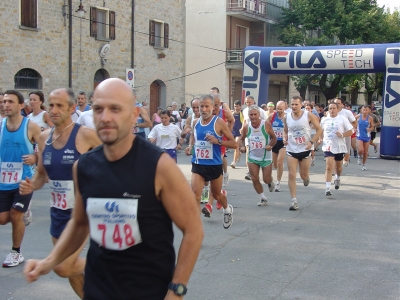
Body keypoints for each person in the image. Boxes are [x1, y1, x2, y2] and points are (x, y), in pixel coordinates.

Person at [24, 78, 203, 300]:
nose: (105, 117)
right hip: (98, 288)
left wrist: (177, 290)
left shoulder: (159, 166)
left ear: (134, 114)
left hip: (147, 291)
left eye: (115, 109)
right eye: (98, 109)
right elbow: (80, 223)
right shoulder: (84, 166)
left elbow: (193, 230)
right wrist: (48, 262)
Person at [19, 88, 101, 298]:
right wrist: (31, 185)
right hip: (58, 211)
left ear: (72, 108)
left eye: (59, 106)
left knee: (63, 266)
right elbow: (40, 177)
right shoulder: (44, 138)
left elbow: (113, 161)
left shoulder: (85, 134)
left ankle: (110, 263)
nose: (54, 110)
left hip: (83, 212)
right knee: (71, 273)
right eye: (51, 105)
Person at [0, 90, 41, 267]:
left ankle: (16, 252)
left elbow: (46, 149)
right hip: (3, 180)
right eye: (4, 101)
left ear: (20, 105)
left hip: (24, 180)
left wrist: (36, 158)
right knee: (3, 219)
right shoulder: (0, 125)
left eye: (10, 102)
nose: (5, 105)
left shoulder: (30, 126)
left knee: (16, 215)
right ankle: (24, 213)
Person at [185, 94, 236, 227]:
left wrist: (218, 141)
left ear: (212, 107)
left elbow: (234, 143)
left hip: (214, 165)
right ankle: (195, 227)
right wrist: (190, 146)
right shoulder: (196, 122)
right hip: (198, 163)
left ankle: (227, 209)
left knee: (217, 195)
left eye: (207, 106)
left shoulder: (219, 122)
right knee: (196, 195)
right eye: (202, 106)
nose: (204, 109)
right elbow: (194, 137)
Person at [283, 96, 322, 211]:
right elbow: (285, 130)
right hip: (291, 148)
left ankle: (306, 178)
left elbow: (319, 129)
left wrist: (312, 142)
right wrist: (285, 138)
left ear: (301, 105)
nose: (294, 106)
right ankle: (294, 201)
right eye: (292, 104)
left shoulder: (308, 115)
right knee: (291, 174)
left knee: (303, 176)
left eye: (296, 104)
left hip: (305, 148)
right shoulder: (287, 117)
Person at [239, 105, 277, 206]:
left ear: (259, 115)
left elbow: (274, 138)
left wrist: (270, 145)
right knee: (254, 178)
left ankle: (270, 182)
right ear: (248, 116)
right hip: (252, 157)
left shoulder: (266, 125)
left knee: (266, 179)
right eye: (251, 115)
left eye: (255, 114)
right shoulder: (247, 127)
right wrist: (242, 147)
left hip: (266, 157)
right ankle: (262, 198)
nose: (253, 117)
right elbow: (241, 139)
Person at [319, 103, 353, 196]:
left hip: (339, 145)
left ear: (337, 109)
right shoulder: (324, 120)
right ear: (328, 110)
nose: (332, 110)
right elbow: (320, 130)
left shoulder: (343, 119)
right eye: (330, 108)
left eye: (334, 108)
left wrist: (342, 135)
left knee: (338, 167)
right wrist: (320, 138)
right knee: (329, 166)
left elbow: (351, 131)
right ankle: (328, 188)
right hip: (328, 145)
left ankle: (337, 178)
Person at [211, 93, 234, 187]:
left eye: (216, 104)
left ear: (220, 104)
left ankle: (224, 175)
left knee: (219, 160)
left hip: (221, 140)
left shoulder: (224, 112)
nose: (214, 107)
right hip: (209, 141)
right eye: (212, 104)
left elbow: (232, 120)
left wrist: (228, 132)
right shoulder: (207, 111)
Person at [242, 95, 267, 180]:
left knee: (259, 152)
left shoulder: (261, 111)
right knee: (248, 151)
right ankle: (249, 171)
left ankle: (260, 168)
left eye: (249, 102)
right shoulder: (245, 111)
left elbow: (266, 122)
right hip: (249, 134)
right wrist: (242, 129)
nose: (248, 104)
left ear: (253, 101)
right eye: (246, 102)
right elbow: (245, 121)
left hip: (260, 135)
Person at [267, 100, 286, 192]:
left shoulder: (287, 117)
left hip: (283, 142)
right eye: (278, 109)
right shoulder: (273, 116)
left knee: (279, 162)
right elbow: (265, 124)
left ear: (284, 108)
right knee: (275, 165)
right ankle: (280, 169)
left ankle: (278, 183)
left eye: (281, 109)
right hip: (274, 141)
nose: (279, 111)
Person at [332, 98, 357, 167]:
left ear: (342, 105)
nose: (336, 105)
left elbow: (354, 123)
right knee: (333, 153)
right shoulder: (330, 112)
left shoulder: (347, 112)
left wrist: (350, 129)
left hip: (345, 135)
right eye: (335, 103)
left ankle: (345, 159)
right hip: (334, 136)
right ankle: (335, 170)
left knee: (346, 152)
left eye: (338, 103)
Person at [356, 105, 374, 170]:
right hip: (359, 136)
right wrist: (354, 127)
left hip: (367, 136)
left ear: (368, 111)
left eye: (366, 110)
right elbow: (352, 122)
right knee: (361, 150)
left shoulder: (370, 118)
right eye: (364, 110)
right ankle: (359, 156)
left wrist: (370, 129)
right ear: (361, 110)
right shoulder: (358, 116)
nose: (365, 111)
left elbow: (372, 126)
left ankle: (363, 164)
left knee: (365, 152)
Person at [230, 100, 244, 168]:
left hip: (239, 132)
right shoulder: (232, 113)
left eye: (237, 106)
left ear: (240, 106)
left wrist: (243, 130)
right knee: (235, 146)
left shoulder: (242, 113)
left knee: (236, 145)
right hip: (233, 132)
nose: (236, 107)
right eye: (235, 106)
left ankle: (234, 162)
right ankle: (239, 153)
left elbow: (245, 122)